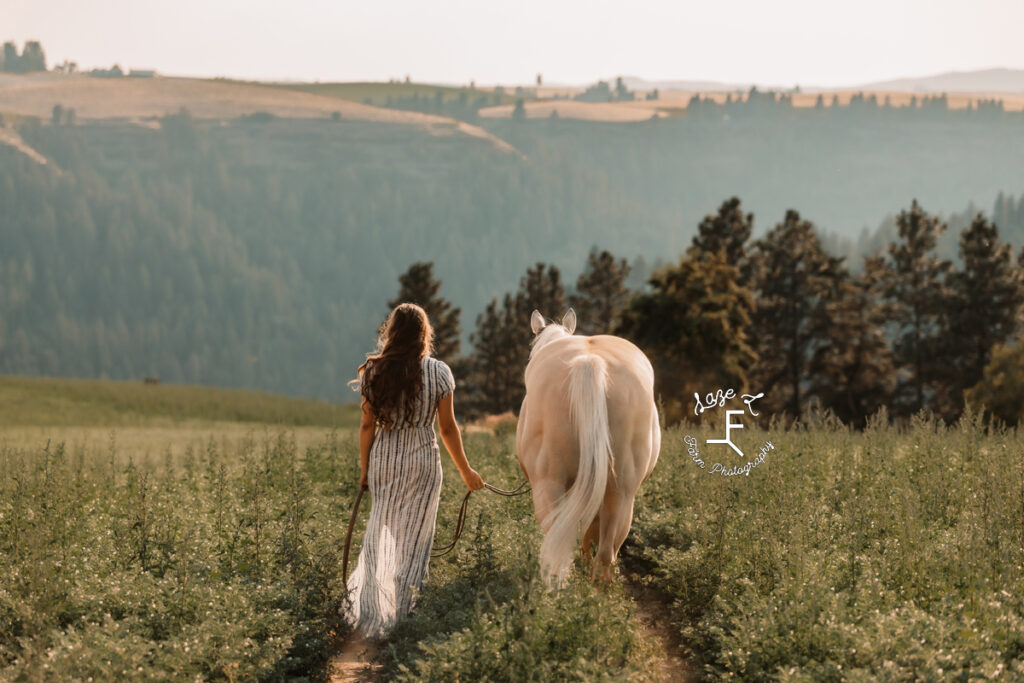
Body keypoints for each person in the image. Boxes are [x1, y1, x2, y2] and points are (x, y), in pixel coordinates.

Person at [344, 303, 485, 638]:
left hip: (385, 461)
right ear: (425, 334)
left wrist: (365, 471)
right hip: (423, 461)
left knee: (383, 533)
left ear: (391, 332)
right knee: (416, 540)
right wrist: (466, 471)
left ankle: (373, 611)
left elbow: (366, 427)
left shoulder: (374, 372)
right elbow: (448, 429)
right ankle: (405, 617)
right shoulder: (439, 372)